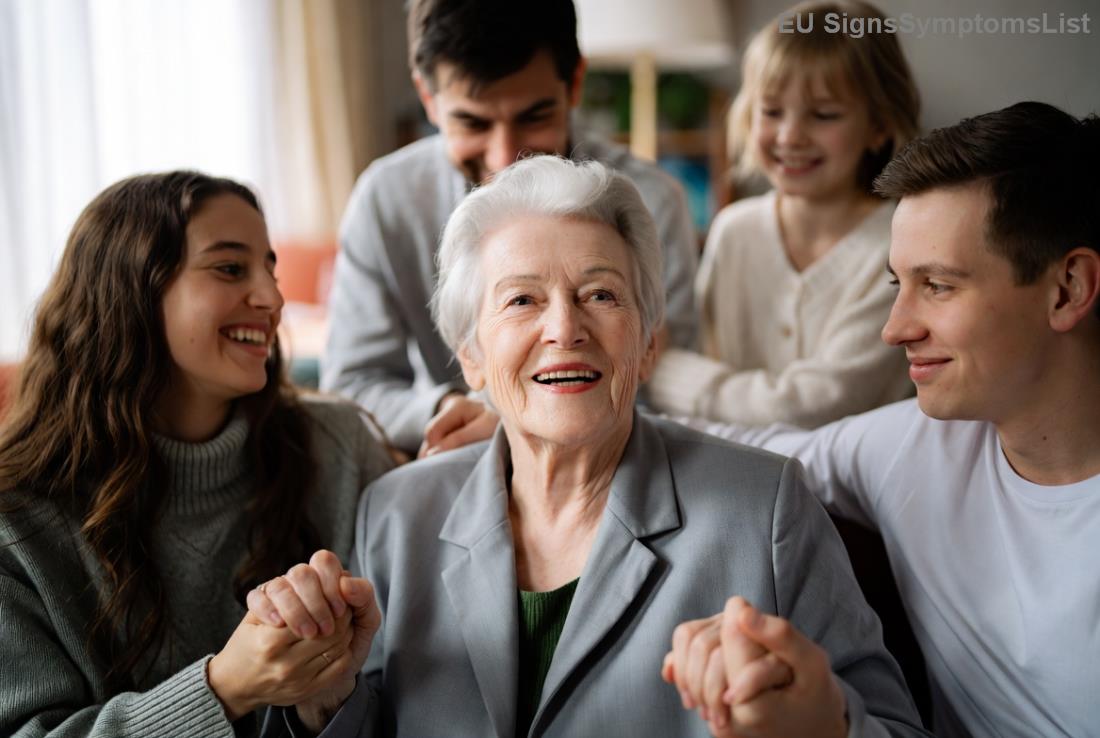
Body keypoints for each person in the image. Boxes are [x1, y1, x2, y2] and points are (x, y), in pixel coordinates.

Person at [247, 156, 928, 738]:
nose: (564, 329)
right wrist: (323, 700)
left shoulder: (767, 508)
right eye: (522, 301)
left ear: (649, 344)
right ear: (471, 356)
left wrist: (819, 722)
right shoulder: (397, 514)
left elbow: (894, 727)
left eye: (600, 295)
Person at [672, 102, 1100, 737]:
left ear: (1067, 288)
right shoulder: (912, 447)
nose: (895, 328)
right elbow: (746, 447)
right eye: (898, 284)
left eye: (938, 285)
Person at [0, 172, 394, 737]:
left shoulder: (338, 447)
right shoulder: (14, 523)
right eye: (230, 268)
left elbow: (402, 689)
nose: (273, 299)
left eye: (270, 270)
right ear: (131, 290)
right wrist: (226, 688)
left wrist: (326, 703)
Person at [322, 0, 699, 456]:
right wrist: (454, 410)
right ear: (428, 97)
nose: (505, 157)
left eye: (533, 117)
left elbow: (667, 383)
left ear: (575, 82)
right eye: (472, 122)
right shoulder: (386, 200)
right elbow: (352, 384)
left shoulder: (652, 201)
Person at [646, 0, 918, 429]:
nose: (790, 136)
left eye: (824, 115)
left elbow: (814, 409)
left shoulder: (900, 247)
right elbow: (709, 354)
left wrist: (663, 369)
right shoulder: (734, 230)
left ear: (878, 126)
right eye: (771, 111)